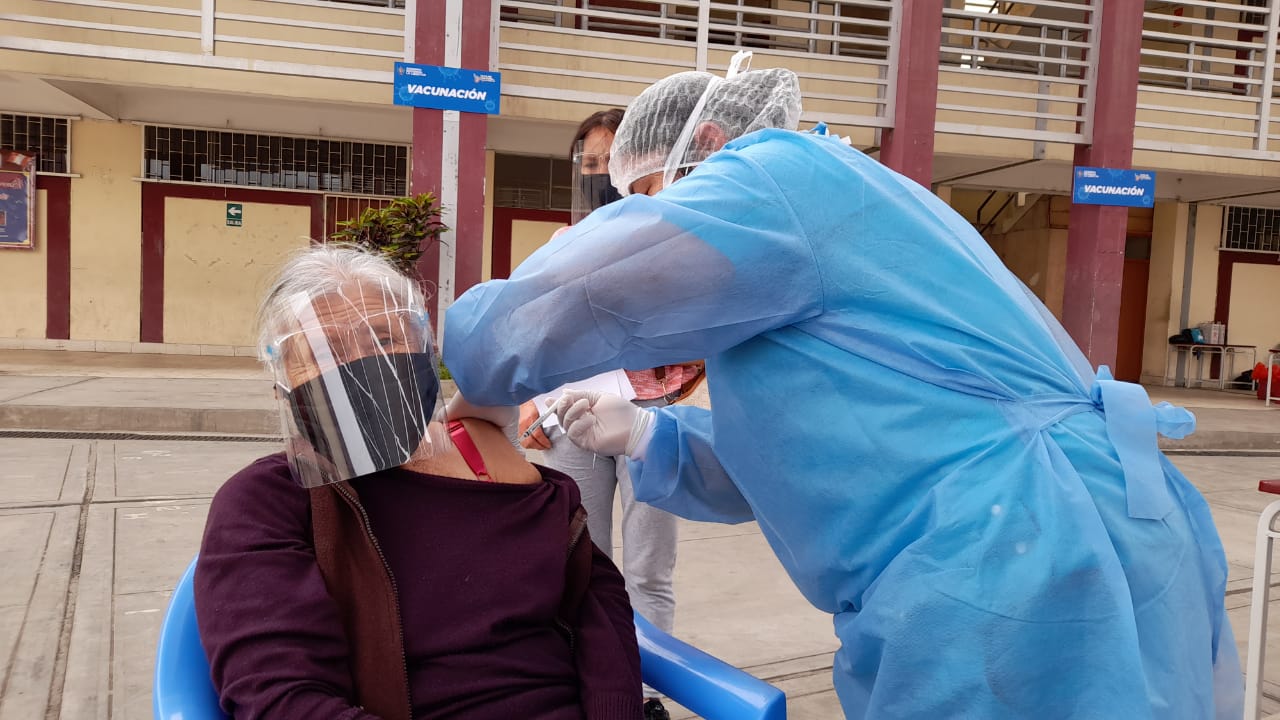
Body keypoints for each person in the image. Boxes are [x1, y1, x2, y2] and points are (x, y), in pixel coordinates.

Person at [442, 65, 1243, 719]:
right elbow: (837, 452)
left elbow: (561, 302)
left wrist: (467, 370)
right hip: (1078, 526)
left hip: (1017, 556)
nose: (647, 226)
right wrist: (654, 438)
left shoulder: (776, 178)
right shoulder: (845, 212)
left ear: (709, 146)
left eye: (649, 198)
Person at [194, 245, 642, 720]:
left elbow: (598, 611)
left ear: (426, 353)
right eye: (324, 350)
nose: (361, 369)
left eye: (383, 338)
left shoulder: (496, 466)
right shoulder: (267, 501)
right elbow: (281, 697)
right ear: (284, 386)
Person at [518, 110, 699, 720]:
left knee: (650, 568)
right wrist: (540, 405)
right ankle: (588, 680)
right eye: (587, 163)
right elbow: (544, 337)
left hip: (652, 423)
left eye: (608, 161)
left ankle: (646, 694)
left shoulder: (672, 239)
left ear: (640, 162)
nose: (597, 174)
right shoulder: (562, 246)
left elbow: (672, 339)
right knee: (581, 562)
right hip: (574, 421)